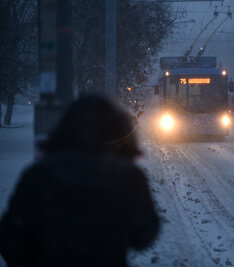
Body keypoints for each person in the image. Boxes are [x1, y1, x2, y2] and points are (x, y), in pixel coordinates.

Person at [0, 95, 159, 267]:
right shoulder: (127, 176)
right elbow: (143, 236)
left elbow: (9, 235)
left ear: (64, 128)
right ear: (119, 131)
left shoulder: (39, 174)